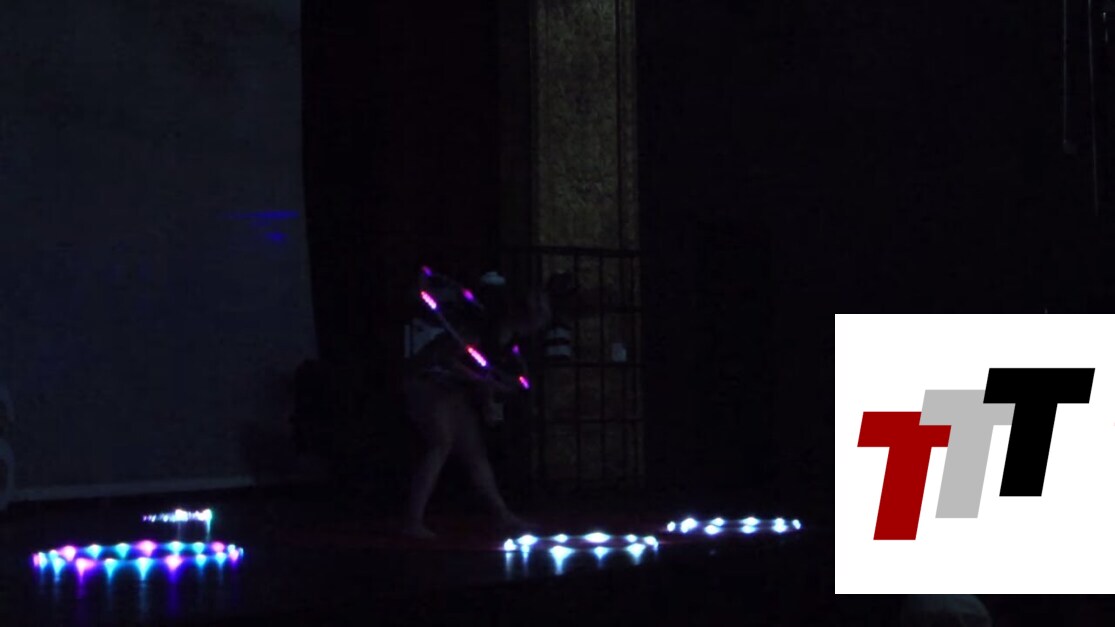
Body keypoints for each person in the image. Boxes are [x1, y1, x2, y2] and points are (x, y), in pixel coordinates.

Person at [401, 270, 551, 539]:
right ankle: (412, 521)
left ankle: (502, 515)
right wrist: (485, 384)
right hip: (426, 378)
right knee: (440, 442)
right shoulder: (485, 326)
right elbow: (446, 358)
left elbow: (481, 369)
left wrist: (488, 393)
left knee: (473, 451)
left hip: (448, 384)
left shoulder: (507, 338)